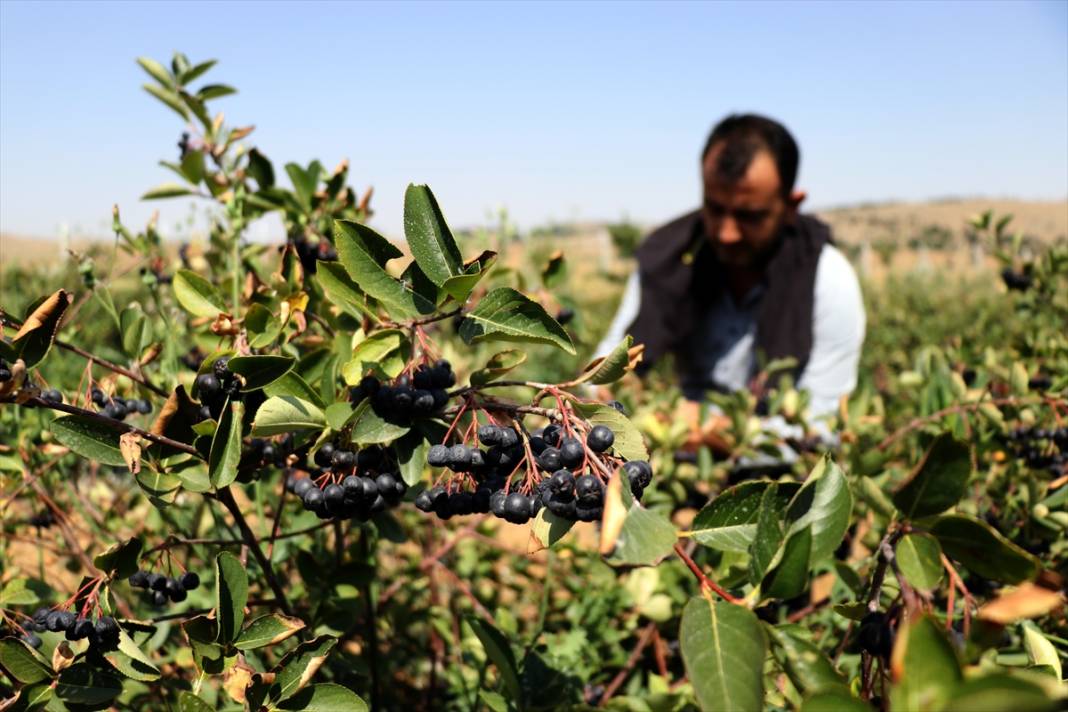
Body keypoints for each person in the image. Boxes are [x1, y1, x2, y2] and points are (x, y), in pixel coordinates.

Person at [594, 114, 865, 454]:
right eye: (714, 208)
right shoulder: (669, 259)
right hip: (668, 459)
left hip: (775, 476)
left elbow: (823, 426)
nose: (726, 233)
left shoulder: (827, 280)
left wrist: (715, 433)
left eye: (750, 216)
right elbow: (602, 376)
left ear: (791, 206)